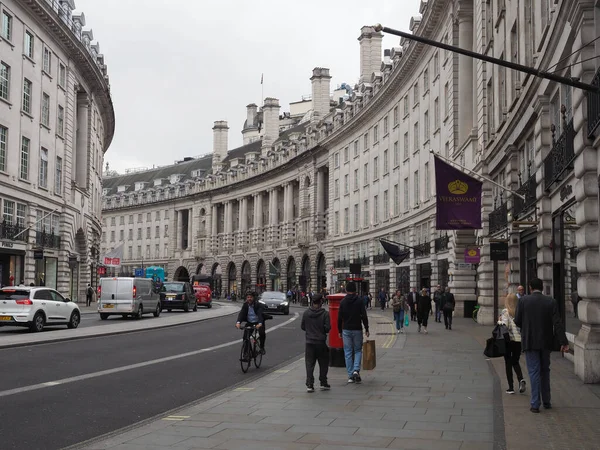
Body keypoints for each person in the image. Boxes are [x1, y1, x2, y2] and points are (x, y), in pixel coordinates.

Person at [515, 278, 568, 413]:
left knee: (533, 371)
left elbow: (517, 321)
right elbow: (557, 323)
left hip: (530, 342)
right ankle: (547, 401)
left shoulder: (523, 301)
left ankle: (535, 404)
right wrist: (563, 342)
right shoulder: (551, 301)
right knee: (545, 370)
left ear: (530, 287)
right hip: (546, 342)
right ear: (542, 288)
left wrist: (527, 327)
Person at [337, 281, 370, 383]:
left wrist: (339, 331)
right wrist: (367, 328)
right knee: (357, 350)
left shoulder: (342, 302)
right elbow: (364, 316)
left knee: (348, 352)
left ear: (346, 290)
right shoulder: (359, 301)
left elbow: (339, 318)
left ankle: (350, 375)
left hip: (346, 329)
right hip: (357, 329)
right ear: (355, 290)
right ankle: (356, 370)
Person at [301, 294, 331, 392]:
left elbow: (303, 327)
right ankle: (323, 382)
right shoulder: (325, 314)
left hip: (309, 342)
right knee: (323, 363)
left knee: (309, 364)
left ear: (312, 302)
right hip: (320, 342)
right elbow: (327, 328)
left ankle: (310, 384)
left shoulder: (306, 313)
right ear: (321, 302)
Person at [499, 293, 526, 395]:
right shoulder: (520, 312)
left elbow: (505, 326)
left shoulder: (505, 312)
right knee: (515, 361)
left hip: (509, 341)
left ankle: (511, 387)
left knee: (508, 363)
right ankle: (521, 379)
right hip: (518, 341)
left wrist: (499, 321)